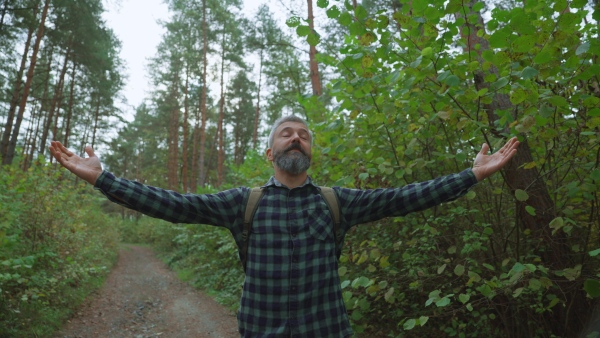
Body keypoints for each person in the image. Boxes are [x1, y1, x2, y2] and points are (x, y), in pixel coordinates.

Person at [49, 115, 519, 338]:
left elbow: (405, 198)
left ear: (311, 152)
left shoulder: (338, 203)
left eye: (305, 134)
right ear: (270, 153)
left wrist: (470, 175)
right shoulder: (243, 204)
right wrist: (105, 180)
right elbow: (173, 205)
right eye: (286, 133)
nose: (297, 137)